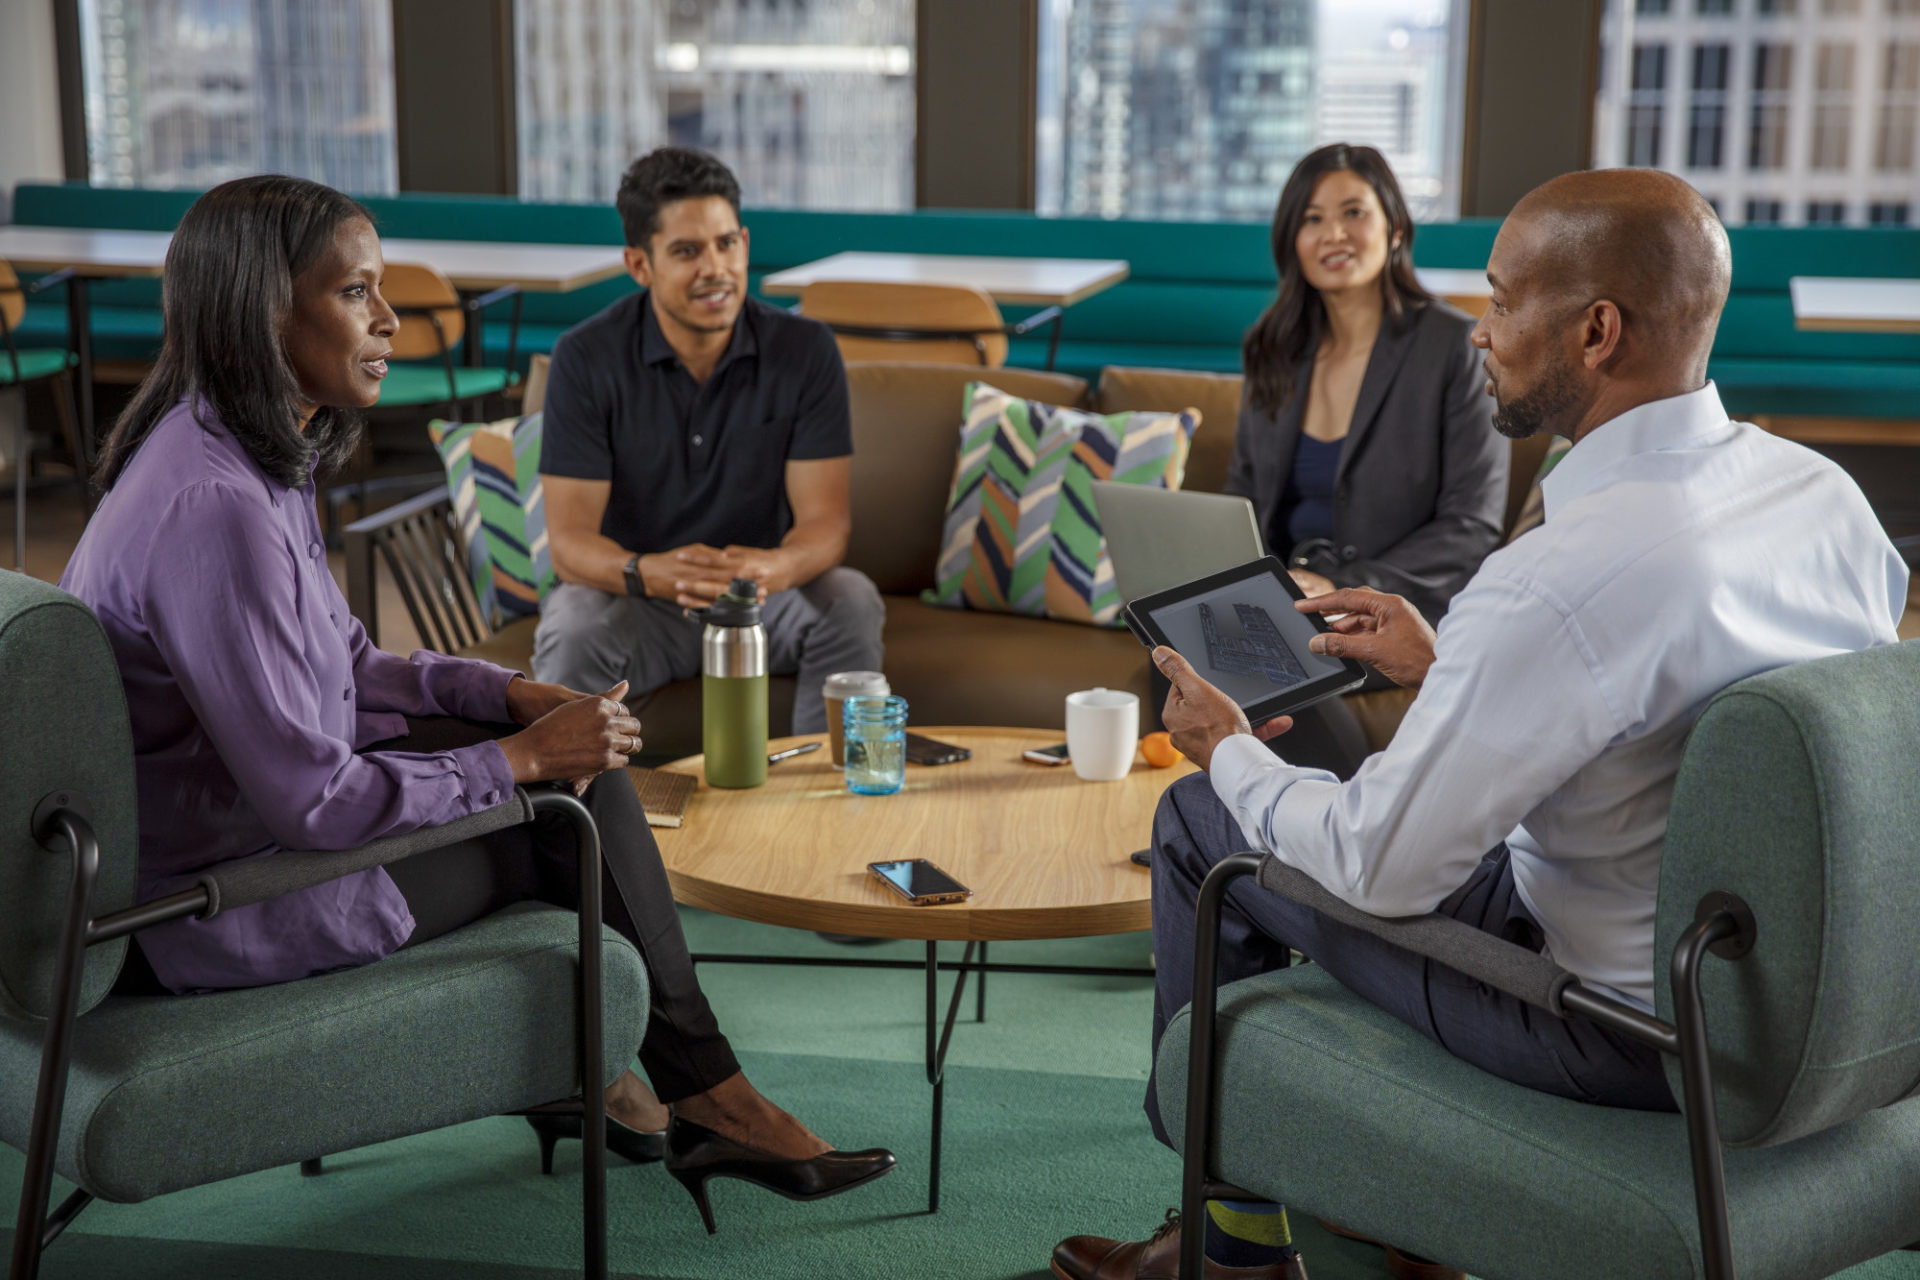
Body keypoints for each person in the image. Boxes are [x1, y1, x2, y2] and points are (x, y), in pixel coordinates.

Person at [1050, 168, 1908, 1280]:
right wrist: (1451, 655)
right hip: (1801, 1001)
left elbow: (1380, 866)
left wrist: (1235, 748)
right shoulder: (1822, 497)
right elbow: (1690, 712)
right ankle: (1381, 1210)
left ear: (1597, 330)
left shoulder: (1555, 581)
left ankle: (1227, 1242)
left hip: (1619, 1025)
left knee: (1200, 819)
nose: (1480, 333)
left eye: (1503, 302)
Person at [59, 175, 894, 1232]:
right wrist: (524, 759)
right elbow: (314, 805)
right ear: (262, 310)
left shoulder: (237, 446)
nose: (391, 319)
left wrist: (505, 693)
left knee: (561, 754)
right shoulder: (217, 505)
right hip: (215, 897)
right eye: (356, 292)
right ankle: (699, 1090)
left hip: (218, 835)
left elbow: (346, 662)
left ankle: (630, 1080)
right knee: (571, 808)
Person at [533, 147, 883, 734]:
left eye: (726, 244)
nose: (715, 269)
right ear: (639, 264)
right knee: (572, 624)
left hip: (765, 605)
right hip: (639, 602)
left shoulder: (806, 351)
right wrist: (654, 573)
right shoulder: (585, 358)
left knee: (851, 599)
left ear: (745, 243)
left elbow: (827, 523)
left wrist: (777, 567)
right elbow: (569, 545)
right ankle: (576, 821)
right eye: (687, 251)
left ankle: (819, 803)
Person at [1225, 143, 1506, 779]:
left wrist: (1341, 588)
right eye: (1312, 218)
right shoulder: (1271, 349)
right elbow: (1240, 499)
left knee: (1273, 676)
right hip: (1287, 605)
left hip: (1395, 604)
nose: (1334, 234)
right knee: (1180, 661)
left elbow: (1472, 524)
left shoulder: (1452, 349)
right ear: (1291, 239)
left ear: (1395, 227)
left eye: (1354, 212)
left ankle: (1349, 840)